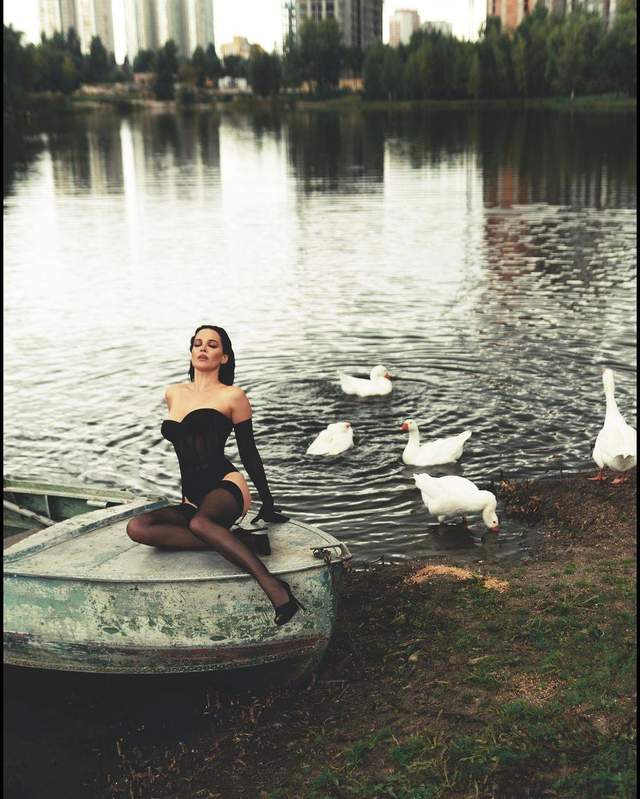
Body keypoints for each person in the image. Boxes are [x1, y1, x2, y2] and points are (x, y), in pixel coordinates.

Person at [126, 324, 304, 626]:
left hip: (226, 486)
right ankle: (239, 541)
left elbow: (249, 452)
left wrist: (267, 501)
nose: (203, 349)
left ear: (224, 357)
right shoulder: (173, 393)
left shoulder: (233, 396)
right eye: (198, 343)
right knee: (138, 528)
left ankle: (274, 587)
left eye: (212, 345)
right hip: (190, 497)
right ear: (191, 352)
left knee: (200, 523)